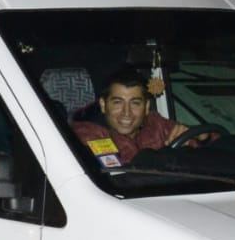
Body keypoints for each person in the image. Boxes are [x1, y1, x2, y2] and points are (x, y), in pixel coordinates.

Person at [71, 66, 203, 167]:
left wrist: (201, 137)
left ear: (146, 107)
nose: (126, 112)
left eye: (135, 103)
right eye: (117, 102)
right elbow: (118, 175)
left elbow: (208, 142)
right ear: (103, 104)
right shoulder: (86, 133)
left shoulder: (155, 123)